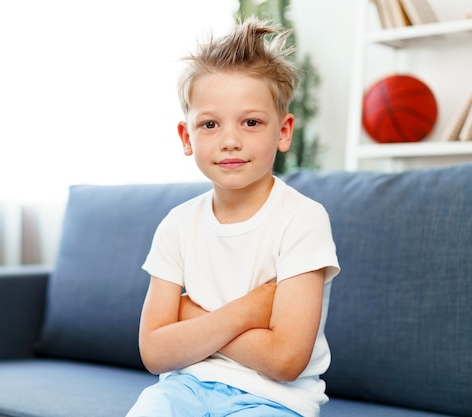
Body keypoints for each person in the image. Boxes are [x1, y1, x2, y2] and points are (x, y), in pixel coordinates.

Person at [126, 17, 340, 417]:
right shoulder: (176, 225)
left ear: (284, 131)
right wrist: (250, 310)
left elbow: (285, 360)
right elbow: (154, 353)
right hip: (183, 389)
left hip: (274, 401)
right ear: (187, 137)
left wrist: (192, 316)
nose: (229, 140)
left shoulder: (303, 220)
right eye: (209, 124)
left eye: (251, 122)